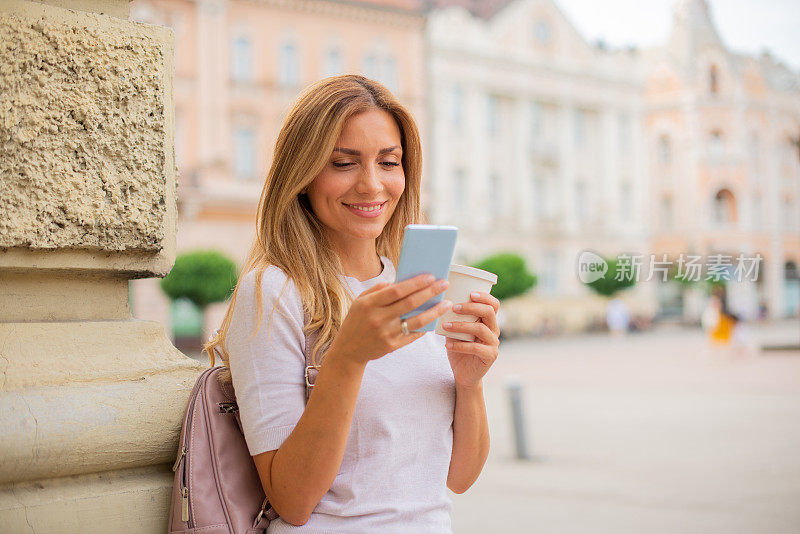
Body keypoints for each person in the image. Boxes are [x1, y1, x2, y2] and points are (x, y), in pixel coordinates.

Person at [204, 75, 500, 533]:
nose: (371, 185)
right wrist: (347, 357)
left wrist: (469, 382)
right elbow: (293, 500)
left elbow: (457, 479)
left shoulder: (416, 285)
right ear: (302, 174)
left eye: (389, 162)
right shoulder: (274, 291)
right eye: (343, 163)